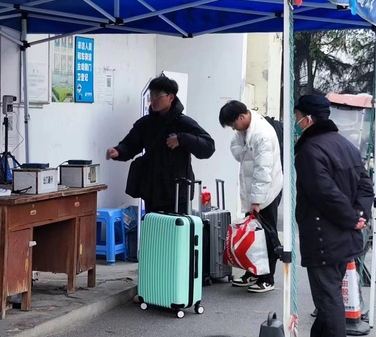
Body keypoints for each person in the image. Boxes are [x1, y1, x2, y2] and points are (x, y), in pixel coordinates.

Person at [293, 95, 373, 337]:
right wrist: (359, 216)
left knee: (327, 296)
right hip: (344, 235)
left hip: (323, 235)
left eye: (297, 117)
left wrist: (351, 218)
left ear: (308, 119)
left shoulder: (310, 150)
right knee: (330, 291)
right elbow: (365, 186)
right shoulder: (346, 145)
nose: (296, 122)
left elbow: (324, 193)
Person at [106, 75, 215, 213]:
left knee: (175, 227)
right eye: (151, 95)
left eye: (157, 95)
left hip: (177, 192)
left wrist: (182, 139)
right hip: (152, 191)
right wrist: (118, 151)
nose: (153, 99)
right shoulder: (145, 124)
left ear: (171, 97)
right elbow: (130, 144)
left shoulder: (183, 123)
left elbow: (208, 146)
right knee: (153, 225)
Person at [219, 100, 283, 293]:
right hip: (254, 192)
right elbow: (236, 150)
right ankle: (253, 272)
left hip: (266, 193)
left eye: (233, 124)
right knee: (253, 235)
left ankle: (267, 278)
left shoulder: (262, 134)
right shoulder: (245, 130)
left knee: (266, 236)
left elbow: (264, 171)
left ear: (242, 117)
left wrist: (257, 201)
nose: (233, 129)